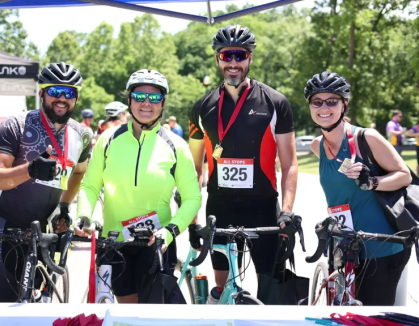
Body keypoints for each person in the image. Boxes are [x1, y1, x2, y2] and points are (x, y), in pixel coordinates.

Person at [187, 25, 298, 304]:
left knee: (269, 289)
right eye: (227, 56)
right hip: (220, 207)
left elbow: (290, 164)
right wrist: (192, 220)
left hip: (262, 207)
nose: (233, 63)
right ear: (217, 59)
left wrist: (286, 211)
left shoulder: (275, 103)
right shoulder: (201, 108)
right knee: (222, 288)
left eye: (240, 55)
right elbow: (194, 170)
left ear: (249, 59)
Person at [76, 69, 201, 304]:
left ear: (163, 103)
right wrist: (83, 214)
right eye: (139, 96)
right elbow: (90, 185)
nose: (146, 103)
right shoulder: (108, 139)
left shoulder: (176, 145)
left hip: (157, 243)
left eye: (154, 97)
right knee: (125, 313)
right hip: (114, 241)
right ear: (129, 100)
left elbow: (192, 198)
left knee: (155, 315)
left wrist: (170, 231)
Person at [0, 62, 92, 303]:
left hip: (39, 230)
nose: (62, 98)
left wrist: (63, 207)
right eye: (54, 91)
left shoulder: (82, 134)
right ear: (41, 94)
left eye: (69, 92)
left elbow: (79, 172)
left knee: (37, 307)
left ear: (76, 97)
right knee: (2, 309)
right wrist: (30, 169)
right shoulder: (16, 125)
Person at [306, 71, 411, 306]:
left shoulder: (367, 138)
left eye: (332, 101)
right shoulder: (317, 146)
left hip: (381, 246)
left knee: (371, 318)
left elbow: (404, 175)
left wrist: (373, 182)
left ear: (344, 104)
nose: (324, 107)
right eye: (317, 101)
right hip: (345, 245)